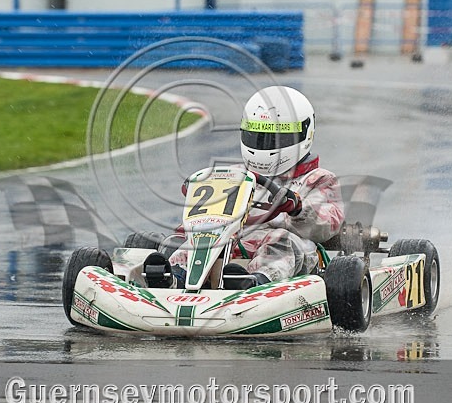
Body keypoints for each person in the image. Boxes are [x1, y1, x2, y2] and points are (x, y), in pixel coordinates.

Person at [147, 86, 345, 289]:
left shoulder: (319, 179)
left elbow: (327, 225)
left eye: (276, 138)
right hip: (233, 243)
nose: (266, 144)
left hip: (290, 253)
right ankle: (174, 277)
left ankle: (256, 282)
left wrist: (298, 208)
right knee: (202, 238)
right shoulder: (234, 174)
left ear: (304, 133)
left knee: (281, 240)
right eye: (258, 136)